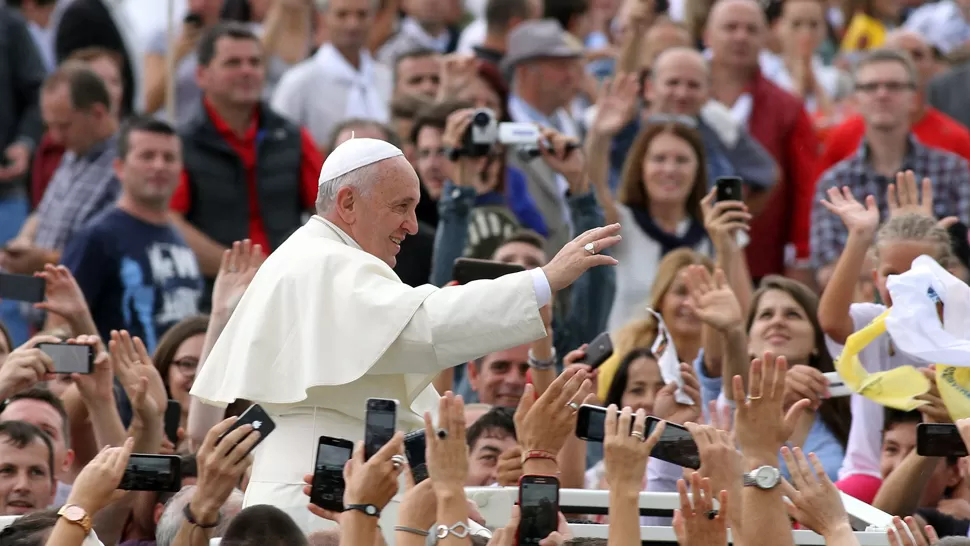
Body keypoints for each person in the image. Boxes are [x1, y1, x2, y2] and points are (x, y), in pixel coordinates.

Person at [188, 137, 620, 536]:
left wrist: (440, 490)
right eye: (401, 206)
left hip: (326, 488)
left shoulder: (317, 259)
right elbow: (425, 326)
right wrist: (542, 281)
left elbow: (395, 394)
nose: (412, 226)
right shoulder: (325, 261)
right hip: (313, 498)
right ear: (348, 202)